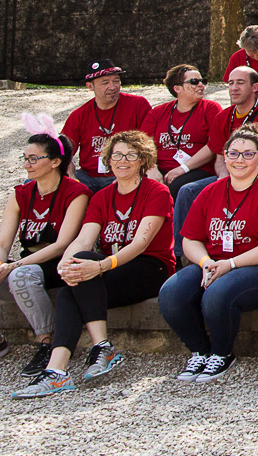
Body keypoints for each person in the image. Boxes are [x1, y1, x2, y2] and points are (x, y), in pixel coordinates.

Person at [13, 132, 174, 398]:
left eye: (131, 155)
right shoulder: (101, 197)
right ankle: (58, 370)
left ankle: (100, 348)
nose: (122, 161)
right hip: (111, 268)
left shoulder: (156, 191)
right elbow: (84, 239)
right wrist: (66, 263)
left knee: (84, 266)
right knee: (70, 285)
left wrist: (99, 267)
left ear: (142, 160)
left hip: (150, 268)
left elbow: (140, 244)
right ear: (108, 160)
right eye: (117, 155)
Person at [157, 126, 258, 383]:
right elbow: (191, 239)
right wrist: (206, 262)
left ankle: (221, 353)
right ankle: (200, 351)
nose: (239, 160)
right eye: (234, 153)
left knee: (218, 294)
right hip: (215, 262)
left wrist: (230, 264)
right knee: (171, 293)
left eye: (247, 154)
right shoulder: (210, 191)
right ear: (224, 155)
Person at [0, 128, 88, 378]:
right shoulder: (20, 194)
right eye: (25, 158)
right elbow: (1, 241)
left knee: (23, 275)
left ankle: (47, 342)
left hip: (58, 264)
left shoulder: (76, 192)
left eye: (33, 159)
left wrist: (13, 267)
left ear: (55, 162)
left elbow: (62, 244)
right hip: (28, 262)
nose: (27, 164)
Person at [62, 59, 155, 192]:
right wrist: (70, 176)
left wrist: (133, 172)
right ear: (90, 86)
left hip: (125, 172)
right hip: (88, 176)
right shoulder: (79, 115)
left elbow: (148, 144)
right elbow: (64, 152)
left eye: (116, 81)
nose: (112, 86)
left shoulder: (138, 105)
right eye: (105, 82)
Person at [145, 63, 225, 200]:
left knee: (177, 186)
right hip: (162, 168)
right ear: (177, 88)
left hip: (196, 168)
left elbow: (214, 145)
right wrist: (151, 169)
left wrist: (183, 168)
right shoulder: (158, 112)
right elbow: (143, 144)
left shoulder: (210, 108)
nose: (201, 85)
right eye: (194, 82)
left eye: (202, 81)